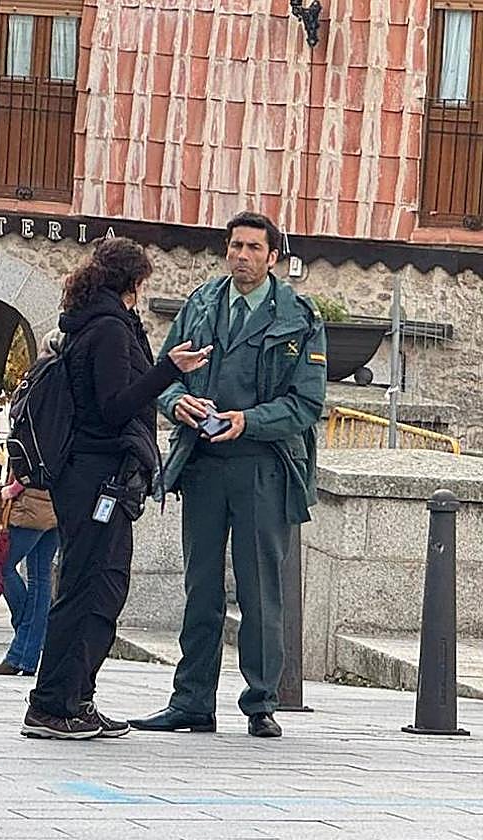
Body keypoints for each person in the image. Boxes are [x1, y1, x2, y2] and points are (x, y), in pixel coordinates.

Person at [129, 212, 327, 739]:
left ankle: (261, 703)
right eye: (235, 246)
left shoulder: (298, 317)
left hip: (263, 465)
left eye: (253, 248)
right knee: (201, 589)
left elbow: (307, 403)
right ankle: (191, 701)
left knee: (261, 591)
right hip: (202, 465)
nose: (242, 255)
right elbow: (165, 374)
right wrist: (178, 405)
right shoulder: (201, 305)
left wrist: (249, 421)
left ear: (273, 258)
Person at [21, 238, 212, 740]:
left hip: (93, 473)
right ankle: (54, 704)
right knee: (90, 588)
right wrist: (170, 369)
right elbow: (113, 406)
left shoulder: (94, 322)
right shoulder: (107, 330)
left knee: (96, 586)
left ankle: (73, 699)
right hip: (95, 474)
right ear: (135, 283)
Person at [0, 474, 59, 677]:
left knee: (1, 567)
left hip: (31, 506)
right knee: (41, 578)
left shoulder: (37, 439)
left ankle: (25, 639)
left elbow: (30, 468)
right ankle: (28, 655)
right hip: (57, 506)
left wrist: (11, 490)